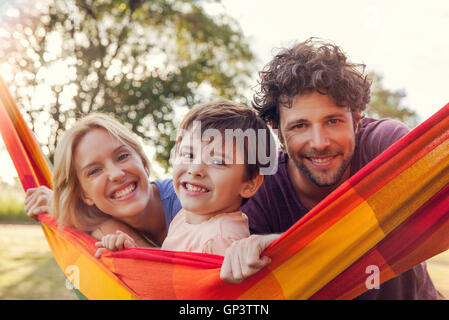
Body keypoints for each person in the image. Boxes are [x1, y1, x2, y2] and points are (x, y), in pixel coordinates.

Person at [219, 38, 440, 299]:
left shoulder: (384, 146)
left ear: (356, 120)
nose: (320, 143)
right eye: (300, 126)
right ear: (278, 133)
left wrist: (288, 248)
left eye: (333, 121)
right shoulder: (261, 190)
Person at [25, 113, 181, 255]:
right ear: (84, 194)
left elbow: (182, 272)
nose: (116, 175)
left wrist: (130, 242)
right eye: (94, 171)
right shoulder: (101, 223)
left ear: (143, 162)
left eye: (122, 156)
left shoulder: (187, 201)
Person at [160, 100, 274, 255]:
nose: (195, 170)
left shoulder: (222, 238)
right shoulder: (184, 217)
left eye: (218, 162)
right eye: (188, 155)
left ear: (249, 184)